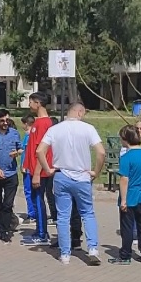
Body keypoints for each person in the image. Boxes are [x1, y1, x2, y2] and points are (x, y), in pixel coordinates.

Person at [35, 103, 106, 266]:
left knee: (62, 216)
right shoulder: (88, 128)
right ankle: (93, 248)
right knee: (87, 213)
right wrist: (96, 171)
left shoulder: (55, 129)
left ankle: (65, 253)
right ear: (80, 112)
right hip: (82, 176)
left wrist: (48, 169)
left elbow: (40, 151)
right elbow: (101, 152)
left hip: (61, 175)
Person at [111, 125, 141, 265]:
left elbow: (124, 179)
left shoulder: (126, 157)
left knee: (127, 226)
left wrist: (123, 200)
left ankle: (125, 255)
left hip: (130, 195)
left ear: (126, 139)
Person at [21, 93, 54, 246]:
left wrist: (36, 173)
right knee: (35, 198)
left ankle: (42, 234)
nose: (29, 105)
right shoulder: (37, 123)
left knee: (38, 199)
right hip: (34, 169)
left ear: (38, 103)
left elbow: (43, 150)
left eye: (31, 102)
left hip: (39, 171)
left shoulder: (43, 124)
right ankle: (39, 230)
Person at [0, 109, 22, 243]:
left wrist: (17, 153)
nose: (5, 123)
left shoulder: (14, 133)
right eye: (2, 121)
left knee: (8, 204)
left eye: (7, 120)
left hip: (11, 173)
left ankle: (6, 230)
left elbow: (20, 148)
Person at [19, 115, 37, 224]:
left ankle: (32, 214)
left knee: (29, 191)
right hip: (29, 168)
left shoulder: (29, 136)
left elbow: (27, 152)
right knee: (30, 191)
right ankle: (33, 213)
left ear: (26, 124)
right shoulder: (29, 135)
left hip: (28, 168)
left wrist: (24, 165)